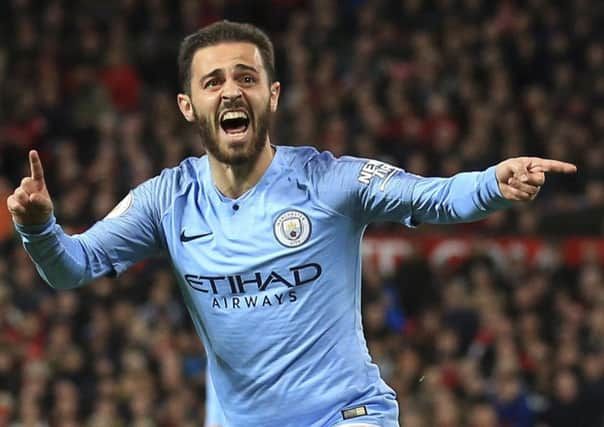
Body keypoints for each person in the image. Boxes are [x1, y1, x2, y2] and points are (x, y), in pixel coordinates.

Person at [6, 21, 577, 427]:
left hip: (347, 416)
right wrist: (40, 229)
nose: (231, 89)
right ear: (187, 107)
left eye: (246, 78)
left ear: (271, 95)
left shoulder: (328, 182)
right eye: (213, 82)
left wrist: (490, 184)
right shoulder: (167, 200)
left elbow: (432, 197)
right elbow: (71, 268)